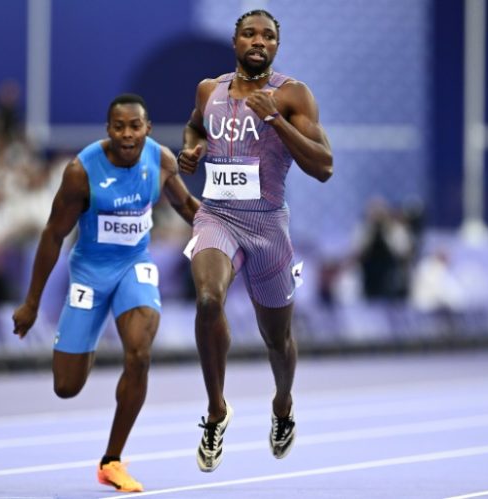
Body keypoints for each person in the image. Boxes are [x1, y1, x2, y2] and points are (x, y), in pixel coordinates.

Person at [12, 93, 199, 492]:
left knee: (139, 353)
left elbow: (185, 206)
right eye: (119, 127)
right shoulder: (81, 171)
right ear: (108, 130)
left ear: (147, 129)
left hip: (135, 266)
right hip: (89, 275)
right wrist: (31, 303)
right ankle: (87, 337)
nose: (128, 134)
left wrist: (229, 232)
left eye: (135, 126)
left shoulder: (161, 159)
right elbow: (53, 235)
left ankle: (111, 460)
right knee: (66, 387)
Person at [176, 9, 333, 472]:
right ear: (235, 42)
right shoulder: (211, 89)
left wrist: (277, 123)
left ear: (277, 46)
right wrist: (193, 148)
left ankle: (283, 404)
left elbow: (324, 166)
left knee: (277, 338)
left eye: (268, 35)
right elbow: (194, 126)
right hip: (217, 216)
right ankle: (216, 410)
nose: (258, 41)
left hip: (267, 228)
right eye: (250, 33)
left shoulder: (292, 94)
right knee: (208, 299)